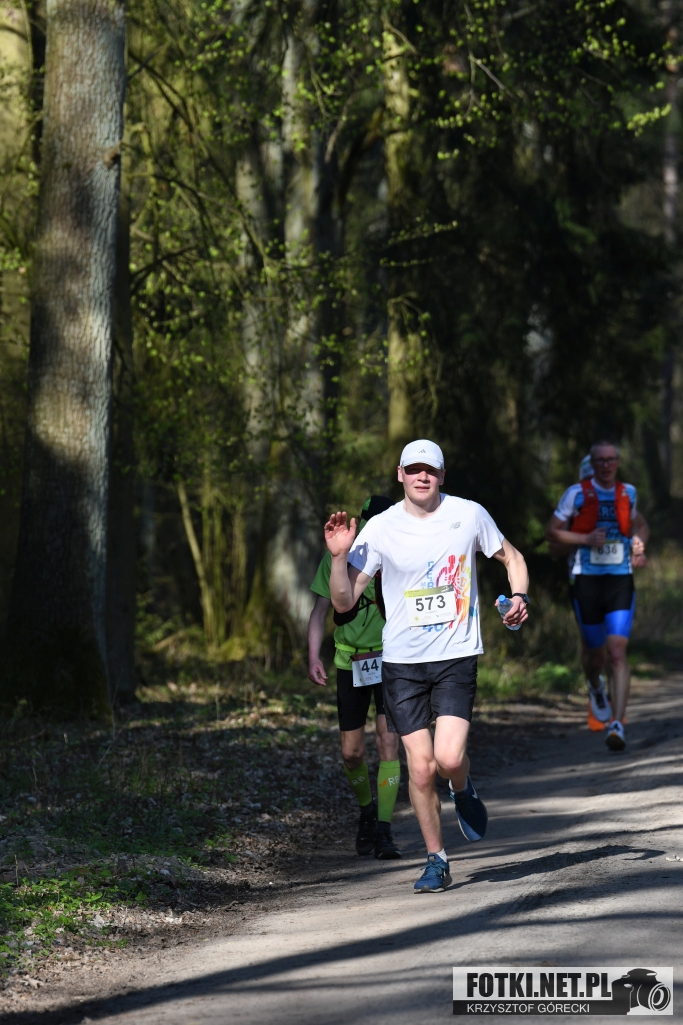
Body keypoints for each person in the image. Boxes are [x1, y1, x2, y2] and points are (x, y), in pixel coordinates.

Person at [323, 440, 529, 894]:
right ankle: (436, 859)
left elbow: (513, 558)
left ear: (441, 475)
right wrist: (339, 558)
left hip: (455, 656)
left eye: (430, 470)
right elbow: (343, 601)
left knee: (448, 759)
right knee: (420, 768)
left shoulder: (468, 514)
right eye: (414, 469)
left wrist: (519, 596)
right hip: (401, 665)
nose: (422, 477)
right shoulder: (380, 528)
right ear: (400, 474)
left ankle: (462, 784)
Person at [308, 495, 402, 860]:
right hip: (351, 662)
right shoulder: (340, 558)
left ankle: (384, 829)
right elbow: (319, 612)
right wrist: (313, 656)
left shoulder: (399, 555)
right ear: (361, 522)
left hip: (392, 660)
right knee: (351, 753)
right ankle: (367, 811)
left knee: (388, 743)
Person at [546, 441, 649, 752]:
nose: (605, 465)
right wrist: (583, 538)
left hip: (619, 580)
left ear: (617, 462)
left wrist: (639, 545)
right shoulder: (576, 495)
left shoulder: (627, 493)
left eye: (611, 460)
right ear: (592, 465)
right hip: (585, 581)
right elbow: (553, 539)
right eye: (599, 461)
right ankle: (594, 684)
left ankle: (617, 723)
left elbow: (639, 524)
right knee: (596, 655)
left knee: (616, 652)